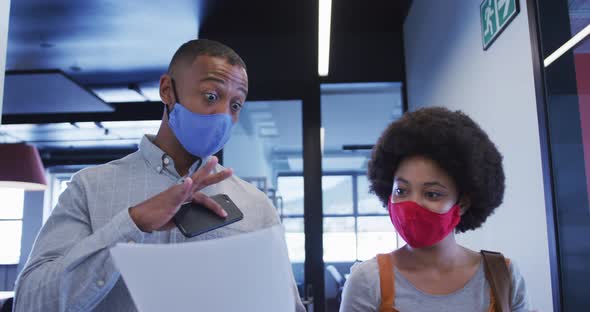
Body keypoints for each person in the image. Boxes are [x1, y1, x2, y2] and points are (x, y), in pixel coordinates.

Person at [13, 39, 306, 312]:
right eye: (211, 96)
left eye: (235, 104)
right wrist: (132, 222)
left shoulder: (255, 205)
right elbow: (29, 302)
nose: (222, 115)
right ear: (167, 90)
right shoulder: (90, 188)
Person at [339, 107, 531, 312]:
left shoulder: (503, 277)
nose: (413, 204)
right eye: (401, 190)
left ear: (463, 203)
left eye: (431, 194)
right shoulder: (368, 281)